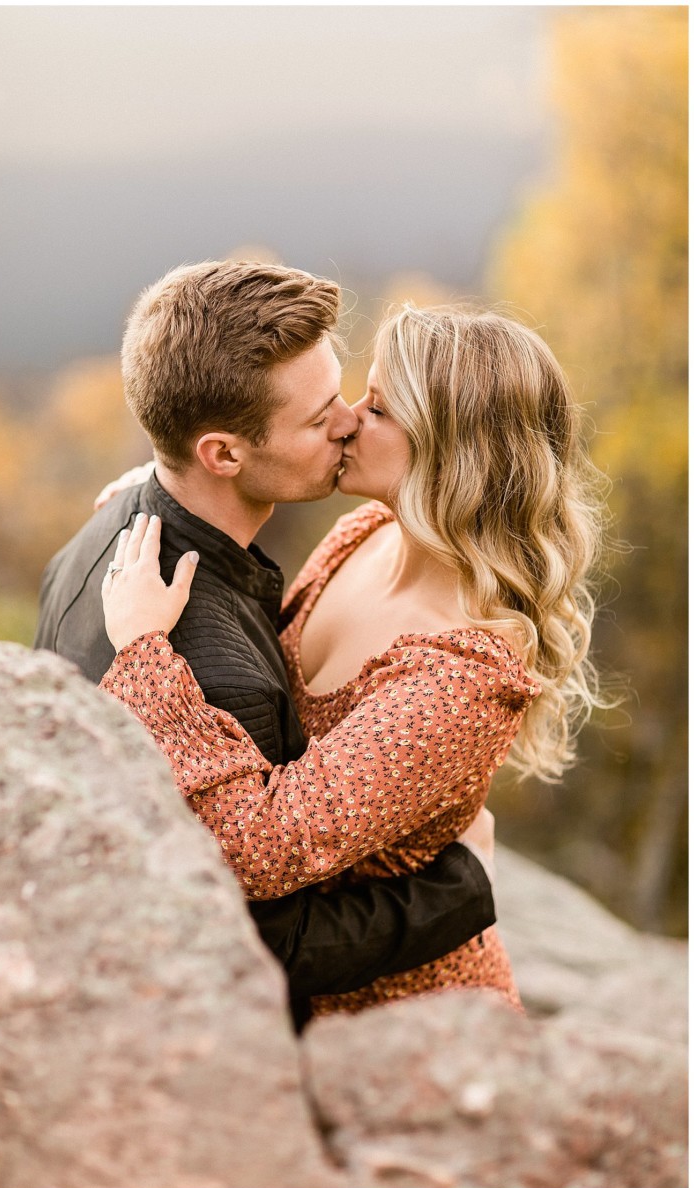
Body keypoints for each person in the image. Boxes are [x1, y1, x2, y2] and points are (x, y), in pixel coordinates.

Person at [99, 301, 607, 1017]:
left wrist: (144, 652)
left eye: (379, 409)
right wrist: (177, 494)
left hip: (402, 1020)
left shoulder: (458, 676)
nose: (347, 419)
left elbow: (262, 846)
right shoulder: (365, 531)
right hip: (299, 986)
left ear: (448, 455)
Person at [34, 261, 497, 1027]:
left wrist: (161, 480)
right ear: (221, 453)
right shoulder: (213, 673)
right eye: (321, 420)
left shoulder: (104, 533)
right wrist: (461, 889)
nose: (349, 421)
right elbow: (265, 938)